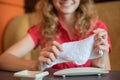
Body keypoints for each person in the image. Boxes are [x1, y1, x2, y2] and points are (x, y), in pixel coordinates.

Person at [0, 0, 111, 71]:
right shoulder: (41, 28)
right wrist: (35, 65)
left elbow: (107, 71)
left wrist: (100, 64)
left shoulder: (97, 27)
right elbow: (3, 59)